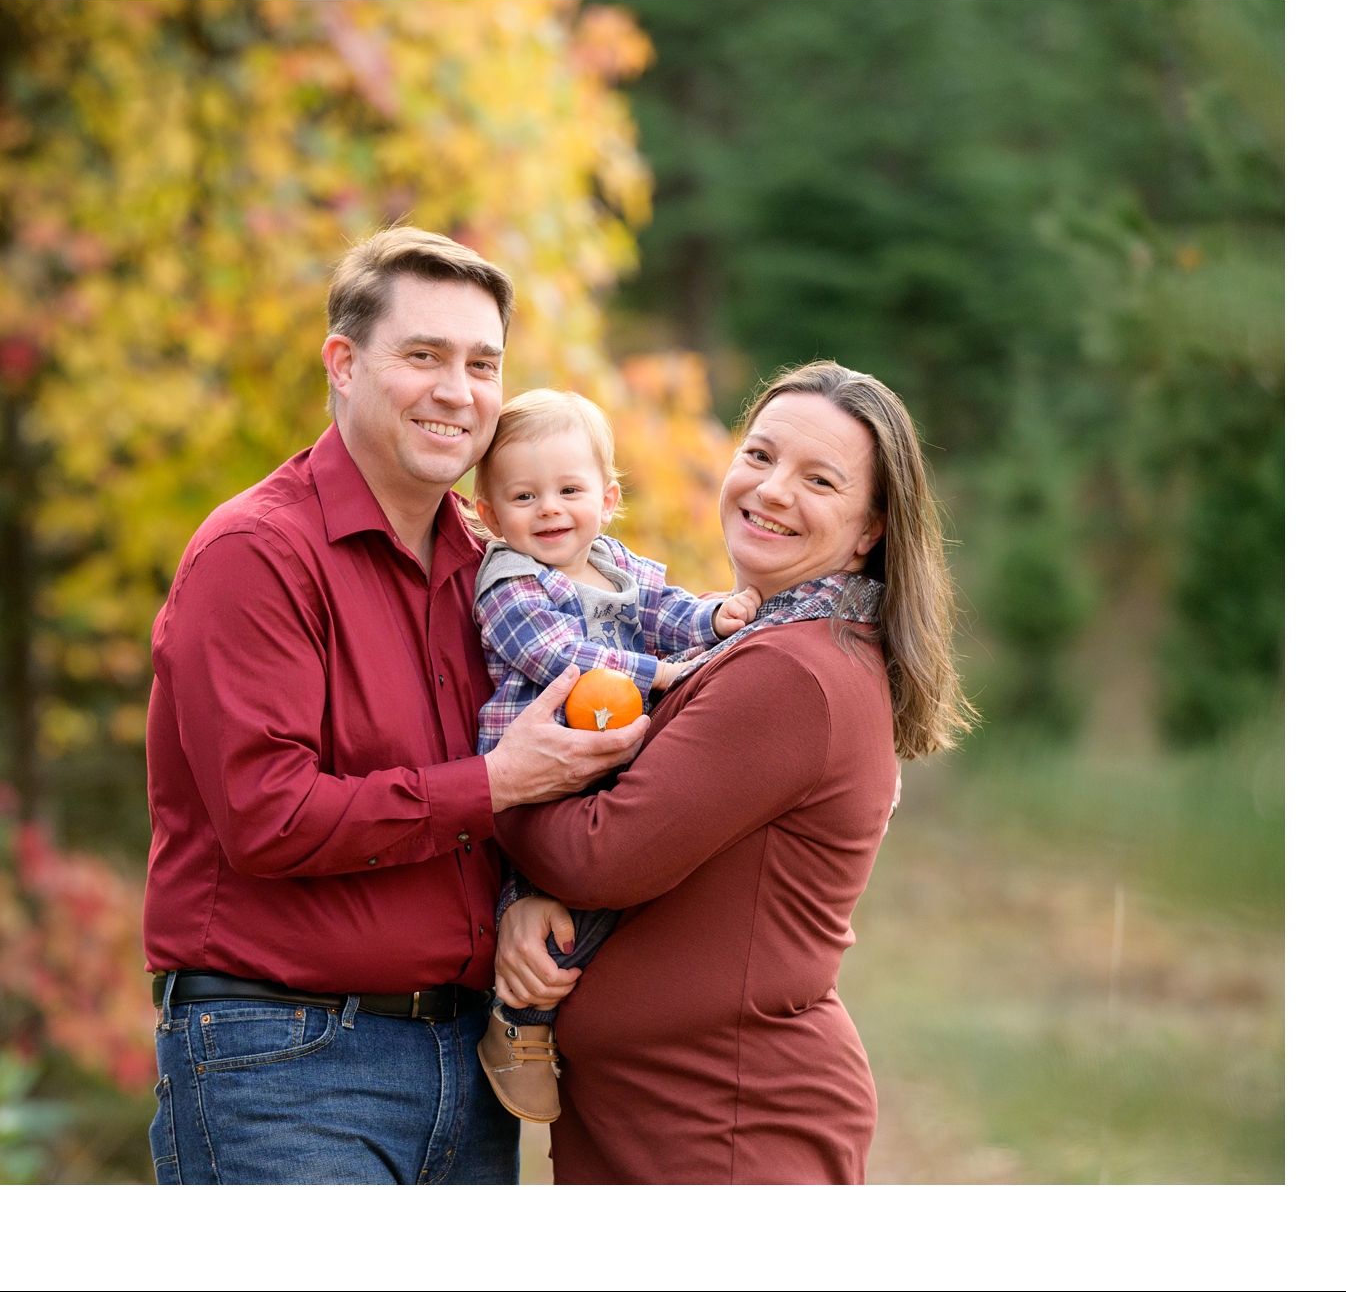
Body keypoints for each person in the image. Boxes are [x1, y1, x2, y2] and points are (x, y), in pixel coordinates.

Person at [141, 227, 647, 1184]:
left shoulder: (497, 564)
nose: (458, 390)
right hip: (283, 1060)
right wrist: (495, 784)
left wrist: (522, 893)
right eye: (424, 356)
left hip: (468, 1061)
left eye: (482, 363)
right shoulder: (256, 554)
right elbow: (270, 818)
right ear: (344, 363)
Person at [492, 361, 973, 1183]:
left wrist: (498, 781)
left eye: (818, 479)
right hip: (673, 1116)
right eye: (759, 455)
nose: (772, 490)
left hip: (727, 1124)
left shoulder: (793, 672)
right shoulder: (759, 640)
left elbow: (603, 851)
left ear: (870, 529)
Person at [463, 388, 760, 1122]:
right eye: (524, 496)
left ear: (607, 496)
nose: (551, 509)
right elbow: (551, 650)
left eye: (570, 489)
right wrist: (651, 673)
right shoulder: (508, 580)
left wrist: (713, 616)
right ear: (492, 515)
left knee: (634, 866)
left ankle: (590, 1009)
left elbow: (661, 611)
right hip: (541, 763)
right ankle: (517, 1018)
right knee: (556, 891)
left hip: (609, 753)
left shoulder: (613, 561)